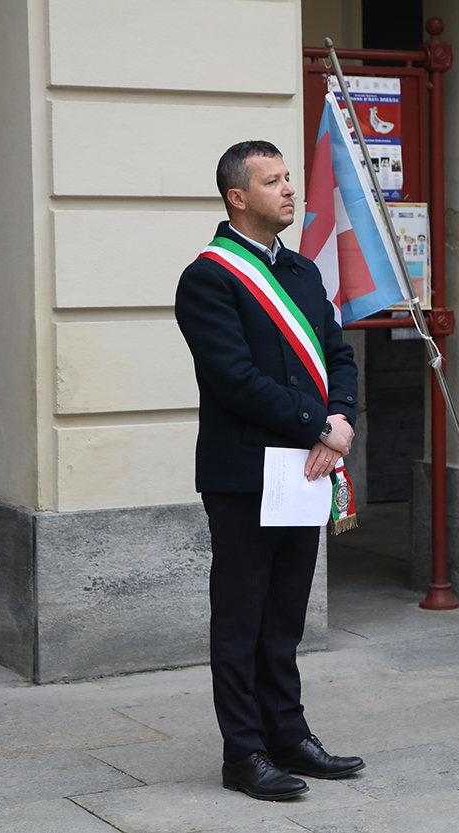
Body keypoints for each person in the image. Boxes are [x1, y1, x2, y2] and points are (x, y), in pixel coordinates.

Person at [175, 140, 364, 800]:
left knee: (284, 613)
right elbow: (235, 380)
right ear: (237, 197)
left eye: (289, 178)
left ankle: (289, 732)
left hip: (306, 471)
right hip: (244, 474)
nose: (290, 190)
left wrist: (340, 422)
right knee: (240, 617)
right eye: (273, 181)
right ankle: (245, 751)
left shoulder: (306, 273)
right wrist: (319, 426)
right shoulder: (209, 277)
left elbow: (340, 357)